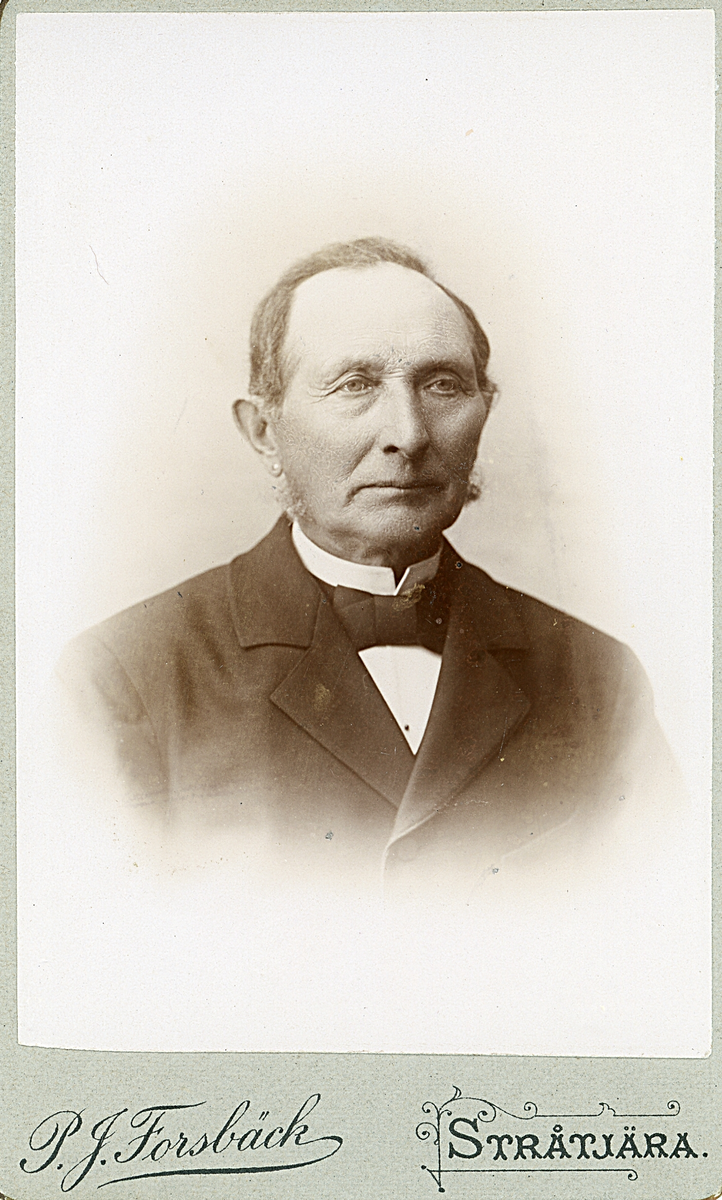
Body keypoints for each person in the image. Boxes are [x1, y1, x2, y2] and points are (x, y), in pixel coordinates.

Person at [56, 237, 680, 900]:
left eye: (443, 385)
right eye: (355, 385)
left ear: (485, 412)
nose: (408, 434)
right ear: (263, 431)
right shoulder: (121, 678)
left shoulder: (599, 679)